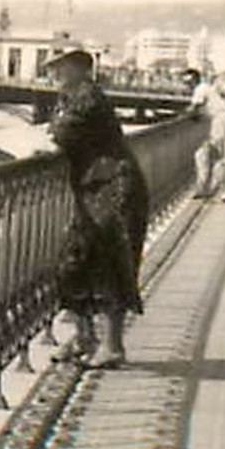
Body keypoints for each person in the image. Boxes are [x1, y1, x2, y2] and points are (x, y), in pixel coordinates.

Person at [45, 48, 151, 370]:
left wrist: (56, 131)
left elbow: (64, 132)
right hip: (94, 188)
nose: (54, 73)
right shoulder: (74, 95)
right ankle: (84, 337)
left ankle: (112, 345)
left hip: (114, 188)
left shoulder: (87, 95)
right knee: (73, 261)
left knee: (110, 261)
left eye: (59, 67)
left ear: (79, 67)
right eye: (53, 68)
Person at [183, 67, 225, 203]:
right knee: (205, 154)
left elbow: (194, 108)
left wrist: (185, 114)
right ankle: (206, 188)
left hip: (221, 120)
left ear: (194, 79)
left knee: (221, 155)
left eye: (188, 81)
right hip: (220, 120)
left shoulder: (201, 89)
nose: (187, 85)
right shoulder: (205, 88)